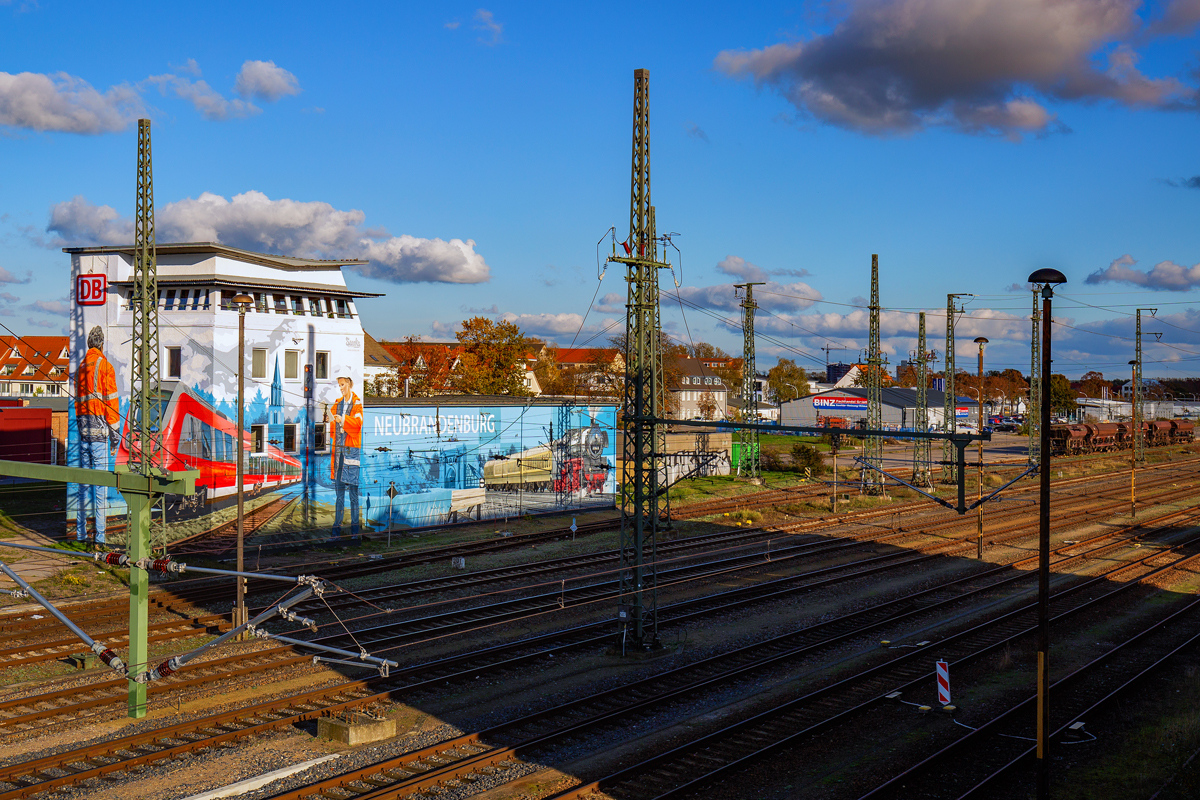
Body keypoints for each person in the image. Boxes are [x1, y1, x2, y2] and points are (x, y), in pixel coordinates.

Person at [75, 325, 120, 548]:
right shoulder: (105, 367)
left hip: (83, 432)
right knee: (100, 487)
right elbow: (111, 405)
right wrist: (115, 437)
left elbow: (78, 405)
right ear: (102, 344)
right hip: (101, 434)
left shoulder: (81, 368)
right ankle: (100, 539)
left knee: (84, 485)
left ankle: (81, 535)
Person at [329, 371, 363, 540]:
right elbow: (332, 431)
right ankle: (336, 532)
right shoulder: (337, 404)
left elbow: (357, 425)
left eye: (343, 384)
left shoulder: (357, 404)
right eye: (339, 385)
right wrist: (331, 419)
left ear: (349, 384)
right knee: (339, 497)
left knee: (353, 496)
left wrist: (342, 420)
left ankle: (355, 533)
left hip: (351, 455)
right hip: (339, 457)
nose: (341, 388)